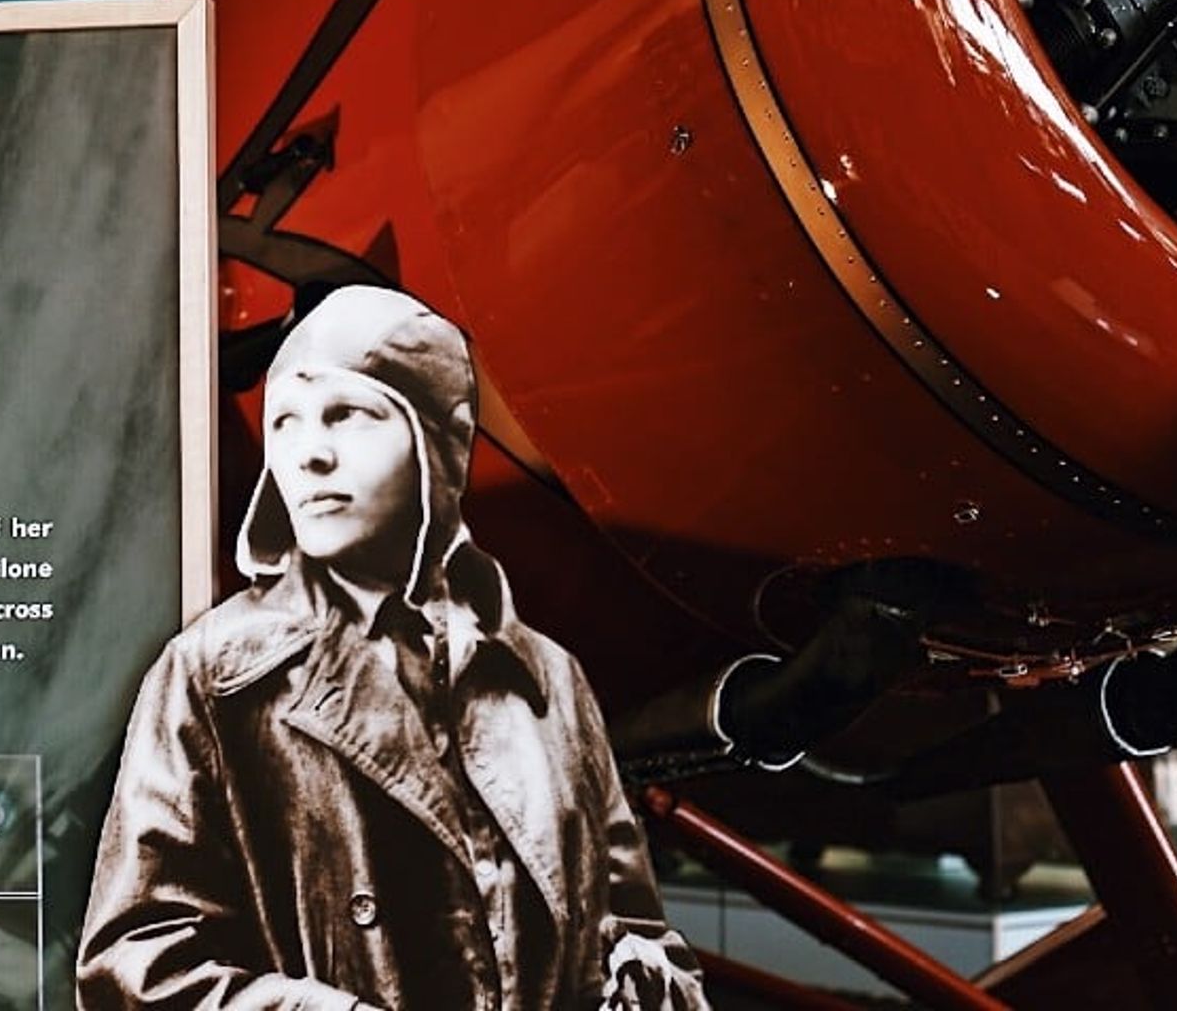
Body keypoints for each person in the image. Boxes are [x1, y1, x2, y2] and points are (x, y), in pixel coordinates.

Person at [77, 285, 708, 1010]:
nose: (308, 454)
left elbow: (633, 929)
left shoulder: (549, 680)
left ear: (438, 443)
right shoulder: (214, 676)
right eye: (285, 422)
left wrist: (646, 980)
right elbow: (135, 966)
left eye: (348, 415)